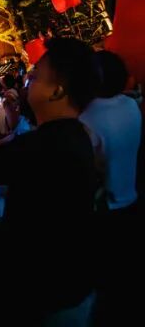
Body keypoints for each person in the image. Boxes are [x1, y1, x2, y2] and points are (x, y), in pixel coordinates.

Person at [0, 37, 98, 324]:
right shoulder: (75, 135)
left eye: (36, 76)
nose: (28, 79)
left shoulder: (43, 146)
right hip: (71, 288)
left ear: (57, 91)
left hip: (42, 300)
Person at [80, 50, 141, 323]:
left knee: (111, 289)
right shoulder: (130, 105)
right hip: (133, 198)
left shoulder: (86, 119)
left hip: (106, 210)